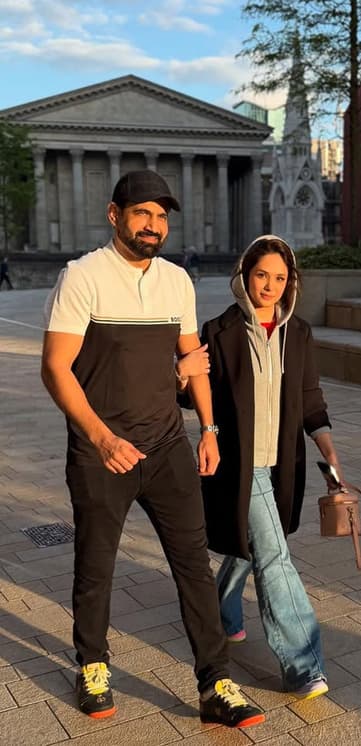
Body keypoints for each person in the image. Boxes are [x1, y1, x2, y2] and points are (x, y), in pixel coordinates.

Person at [41, 170, 265, 728]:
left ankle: (215, 684)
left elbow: (195, 361)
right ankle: (93, 666)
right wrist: (100, 437)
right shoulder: (82, 277)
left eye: (162, 216)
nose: (153, 225)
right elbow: (55, 368)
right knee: (96, 565)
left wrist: (208, 430)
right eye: (142, 212)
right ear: (114, 215)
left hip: (167, 447)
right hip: (103, 451)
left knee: (193, 565)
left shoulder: (176, 280)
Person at [192, 234, 345, 700]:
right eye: (262, 275)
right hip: (241, 464)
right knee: (275, 557)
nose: (270, 285)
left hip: (284, 464)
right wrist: (182, 373)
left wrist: (328, 447)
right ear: (245, 275)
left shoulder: (298, 332)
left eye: (280, 278)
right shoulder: (219, 331)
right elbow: (195, 394)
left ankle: (221, 610)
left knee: (253, 544)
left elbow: (309, 396)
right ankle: (304, 664)